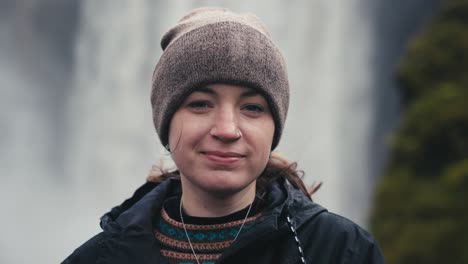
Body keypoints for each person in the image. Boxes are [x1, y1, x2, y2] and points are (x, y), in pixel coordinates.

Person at [62, 7, 384, 264]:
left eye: (253, 108)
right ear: (165, 121)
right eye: (200, 104)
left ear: (275, 128)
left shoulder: (343, 252)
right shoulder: (97, 258)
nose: (227, 129)